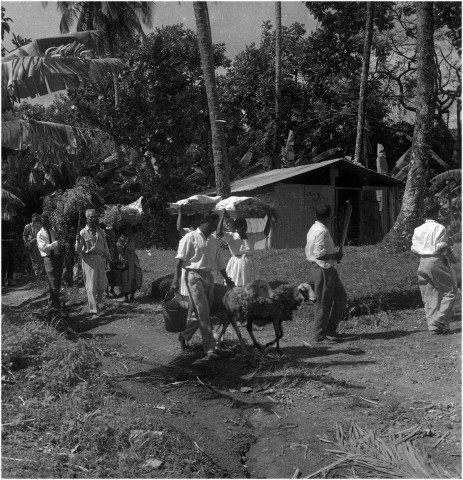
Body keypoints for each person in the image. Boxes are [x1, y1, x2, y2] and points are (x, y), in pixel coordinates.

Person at [170, 213, 235, 360]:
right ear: (202, 222)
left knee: (201, 311)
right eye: (211, 224)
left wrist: (228, 280)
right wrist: (175, 280)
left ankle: (184, 334)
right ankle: (210, 349)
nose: (213, 227)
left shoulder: (213, 240)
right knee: (204, 312)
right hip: (193, 277)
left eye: (215, 225)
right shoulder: (190, 237)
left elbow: (219, 262)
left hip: (208, 277)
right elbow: (179, 261)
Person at [411, 199, 457, 335]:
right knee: (449, 292)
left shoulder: (418, 229)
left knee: (429, 295)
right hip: (436, 260)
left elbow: (414, 248)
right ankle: (440, 320)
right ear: (437, 212)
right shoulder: (440, 228)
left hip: (422, 262)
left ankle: (434, 327)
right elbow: (441, 247)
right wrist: (454, 259)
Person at [305, 205, 347, 344]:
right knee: (323, 303)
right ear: (328, 217)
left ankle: (330, 329)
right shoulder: (321, 231)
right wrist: (336, 254)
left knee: (341, 298)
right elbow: (319, 255)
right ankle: (319, 336)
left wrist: (334, 257)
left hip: (329, 268)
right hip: (322, 269)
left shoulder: (315, 228)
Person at [217, 210, 271, 287]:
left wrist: (269, 218)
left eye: (245, 225)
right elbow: (219, 233)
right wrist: (222, 217)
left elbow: (265, 233)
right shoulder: (231, 236)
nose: (243, 227)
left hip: (250, 263)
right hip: (237, 263)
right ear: (235, 227)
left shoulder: (251, 236)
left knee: (251, 286)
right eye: (240, 225)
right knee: (236, 285)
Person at [76, 209, 111, 318]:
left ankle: (98, 304)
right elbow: (78, 250)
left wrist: (109, 259)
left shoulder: (101, 231)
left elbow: (105, 247)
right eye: (91, 217)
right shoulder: (82, 232)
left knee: (102, 285)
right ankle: (93, 311)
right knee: (91, 287)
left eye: (94, 216)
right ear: (86, 219)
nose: (93, 219)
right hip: (88, 260)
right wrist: (77, 241)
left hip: (100, 259)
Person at [37, 214, 63, 309]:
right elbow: (44, 248)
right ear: (41, 223)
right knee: (53, 281)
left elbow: (59, 244)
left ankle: (54, 303)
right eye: (44, 222)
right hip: (48, 259)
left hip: (57, 257)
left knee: (58, 280)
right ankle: (55, 305)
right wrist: (55, 244)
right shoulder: (40, 234)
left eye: (47, 221)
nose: (46, 223)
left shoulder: (53, 231)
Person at [117, 224, 143, 303]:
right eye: (127, 229)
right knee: (126, 278)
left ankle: (132, 295)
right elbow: (120, 252)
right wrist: (125, 243)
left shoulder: (131, 238)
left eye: (129, 230)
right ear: (123, 230)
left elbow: (135, 247)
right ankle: (126, 297)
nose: (128, 231)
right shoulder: (120, 240)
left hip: (133, 259)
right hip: (126, 259)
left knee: (136, 276)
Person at [23, 213, 45, 279]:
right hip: (31, 245)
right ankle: (36, 274)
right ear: (32, 218)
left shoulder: (39, 226)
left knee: (40, 259)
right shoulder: (27, 226)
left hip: (38, 245)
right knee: (33, 260)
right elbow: (24, 235)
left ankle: (41, 273)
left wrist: (34, 240)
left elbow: (42, 236)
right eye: (35, 218)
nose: (36, 219)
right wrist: (26, 243)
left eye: (37, 218)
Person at [104, 224, 121, 297]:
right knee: (107, 274)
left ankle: (112, 290)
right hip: (106, 258)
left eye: (111, 230)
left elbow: (116, 247)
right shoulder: (104, 237)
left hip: (114, 258)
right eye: (108, 230)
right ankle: (106, 291)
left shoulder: (114, 237)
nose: (110, 231)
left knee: (113, 274)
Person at [2, 215, 17, 287]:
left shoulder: (12, 222)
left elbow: (15, 233)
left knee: (12, 262)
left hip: (11, 244)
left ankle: (10, 280)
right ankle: (2, 280)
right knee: (4, 263)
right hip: (3, 244)